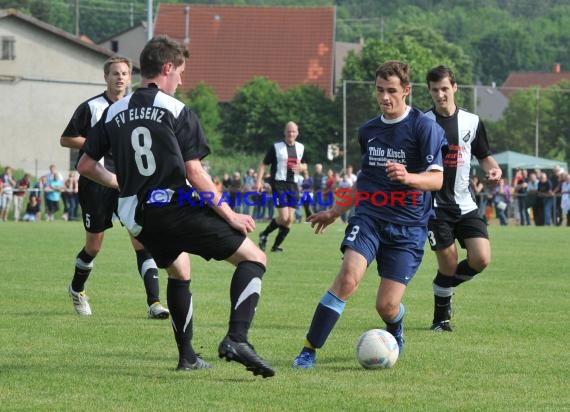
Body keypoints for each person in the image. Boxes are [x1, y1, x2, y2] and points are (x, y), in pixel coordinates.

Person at [77, 35, 274, 377]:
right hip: (173, 205)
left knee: (179, 271)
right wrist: (230, 214)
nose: (182, 79)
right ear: (167, 68)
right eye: (180, 71)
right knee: (255, 258)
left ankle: (187, 358)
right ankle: (237, 339)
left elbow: (85, 165)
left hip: (137, 217)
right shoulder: (176, 110)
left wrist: (117, 183)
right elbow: (195, 172)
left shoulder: (114, 111)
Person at [292, 60, 445, 369]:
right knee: (348, 279)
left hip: (409, 226)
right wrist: (336, 210)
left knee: (386, 305)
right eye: (379, 91)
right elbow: (365, 180)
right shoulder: (369, 131)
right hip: (370, 218)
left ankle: (395, 326)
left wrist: (408, 177)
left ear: (406, 91)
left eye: (391, 91)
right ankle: (309, 350)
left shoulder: (424, 128)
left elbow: (437, 179)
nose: (385, 98)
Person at [60, 56, 169, 319]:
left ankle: (154, 303)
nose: (120, 77)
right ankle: (77, 289)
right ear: (105, 77)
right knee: (94, 246)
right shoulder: (91, 107)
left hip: (128, 180)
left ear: (130, 78)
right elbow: (66, 139)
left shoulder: (136, 107)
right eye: (115, 73)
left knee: (142, 239)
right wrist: (97, 141)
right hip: (96, 182)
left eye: (124, 73)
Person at [424, 65, 502, 332]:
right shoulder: (423, 123)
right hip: (435, 207)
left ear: (455, 87)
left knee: (481, 258)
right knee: (447, 261)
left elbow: (483, 156)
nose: (441, 95)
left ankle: (442, 287)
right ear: (429, 92)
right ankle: (440, 319)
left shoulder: (472, 121)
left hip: (465, 204)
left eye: (445, 88)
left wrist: (494, 169)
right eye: (435, 90)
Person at [256, 121, 307, 252]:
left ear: (297, 133)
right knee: (284, 217)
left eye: (293, 131)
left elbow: (305, 165)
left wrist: (302, 167)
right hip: (279, 184)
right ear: (285, 132)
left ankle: (275, 245)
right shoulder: (276, 147)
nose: (291, 133)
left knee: (290, 219)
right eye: (289, 131)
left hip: (293, 185)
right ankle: (264, 234)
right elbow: (263, 164)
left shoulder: (301, 147)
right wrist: (258, 182)